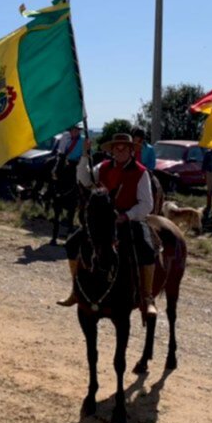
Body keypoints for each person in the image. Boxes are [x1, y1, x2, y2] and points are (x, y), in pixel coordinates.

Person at [58, 133, 157, 321]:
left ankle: (147, 297)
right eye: (116, 148)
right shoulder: (102, 167)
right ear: (111, 150)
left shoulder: (141, 172)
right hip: (103, 220)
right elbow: (84, 180)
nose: (120, 151)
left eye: (124, 148)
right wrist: (85, 155)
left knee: (147, 249)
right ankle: (75, 291)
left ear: (130, 150)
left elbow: (147, 205)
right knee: (72, 244)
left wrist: (126, 216)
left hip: (129, 220)